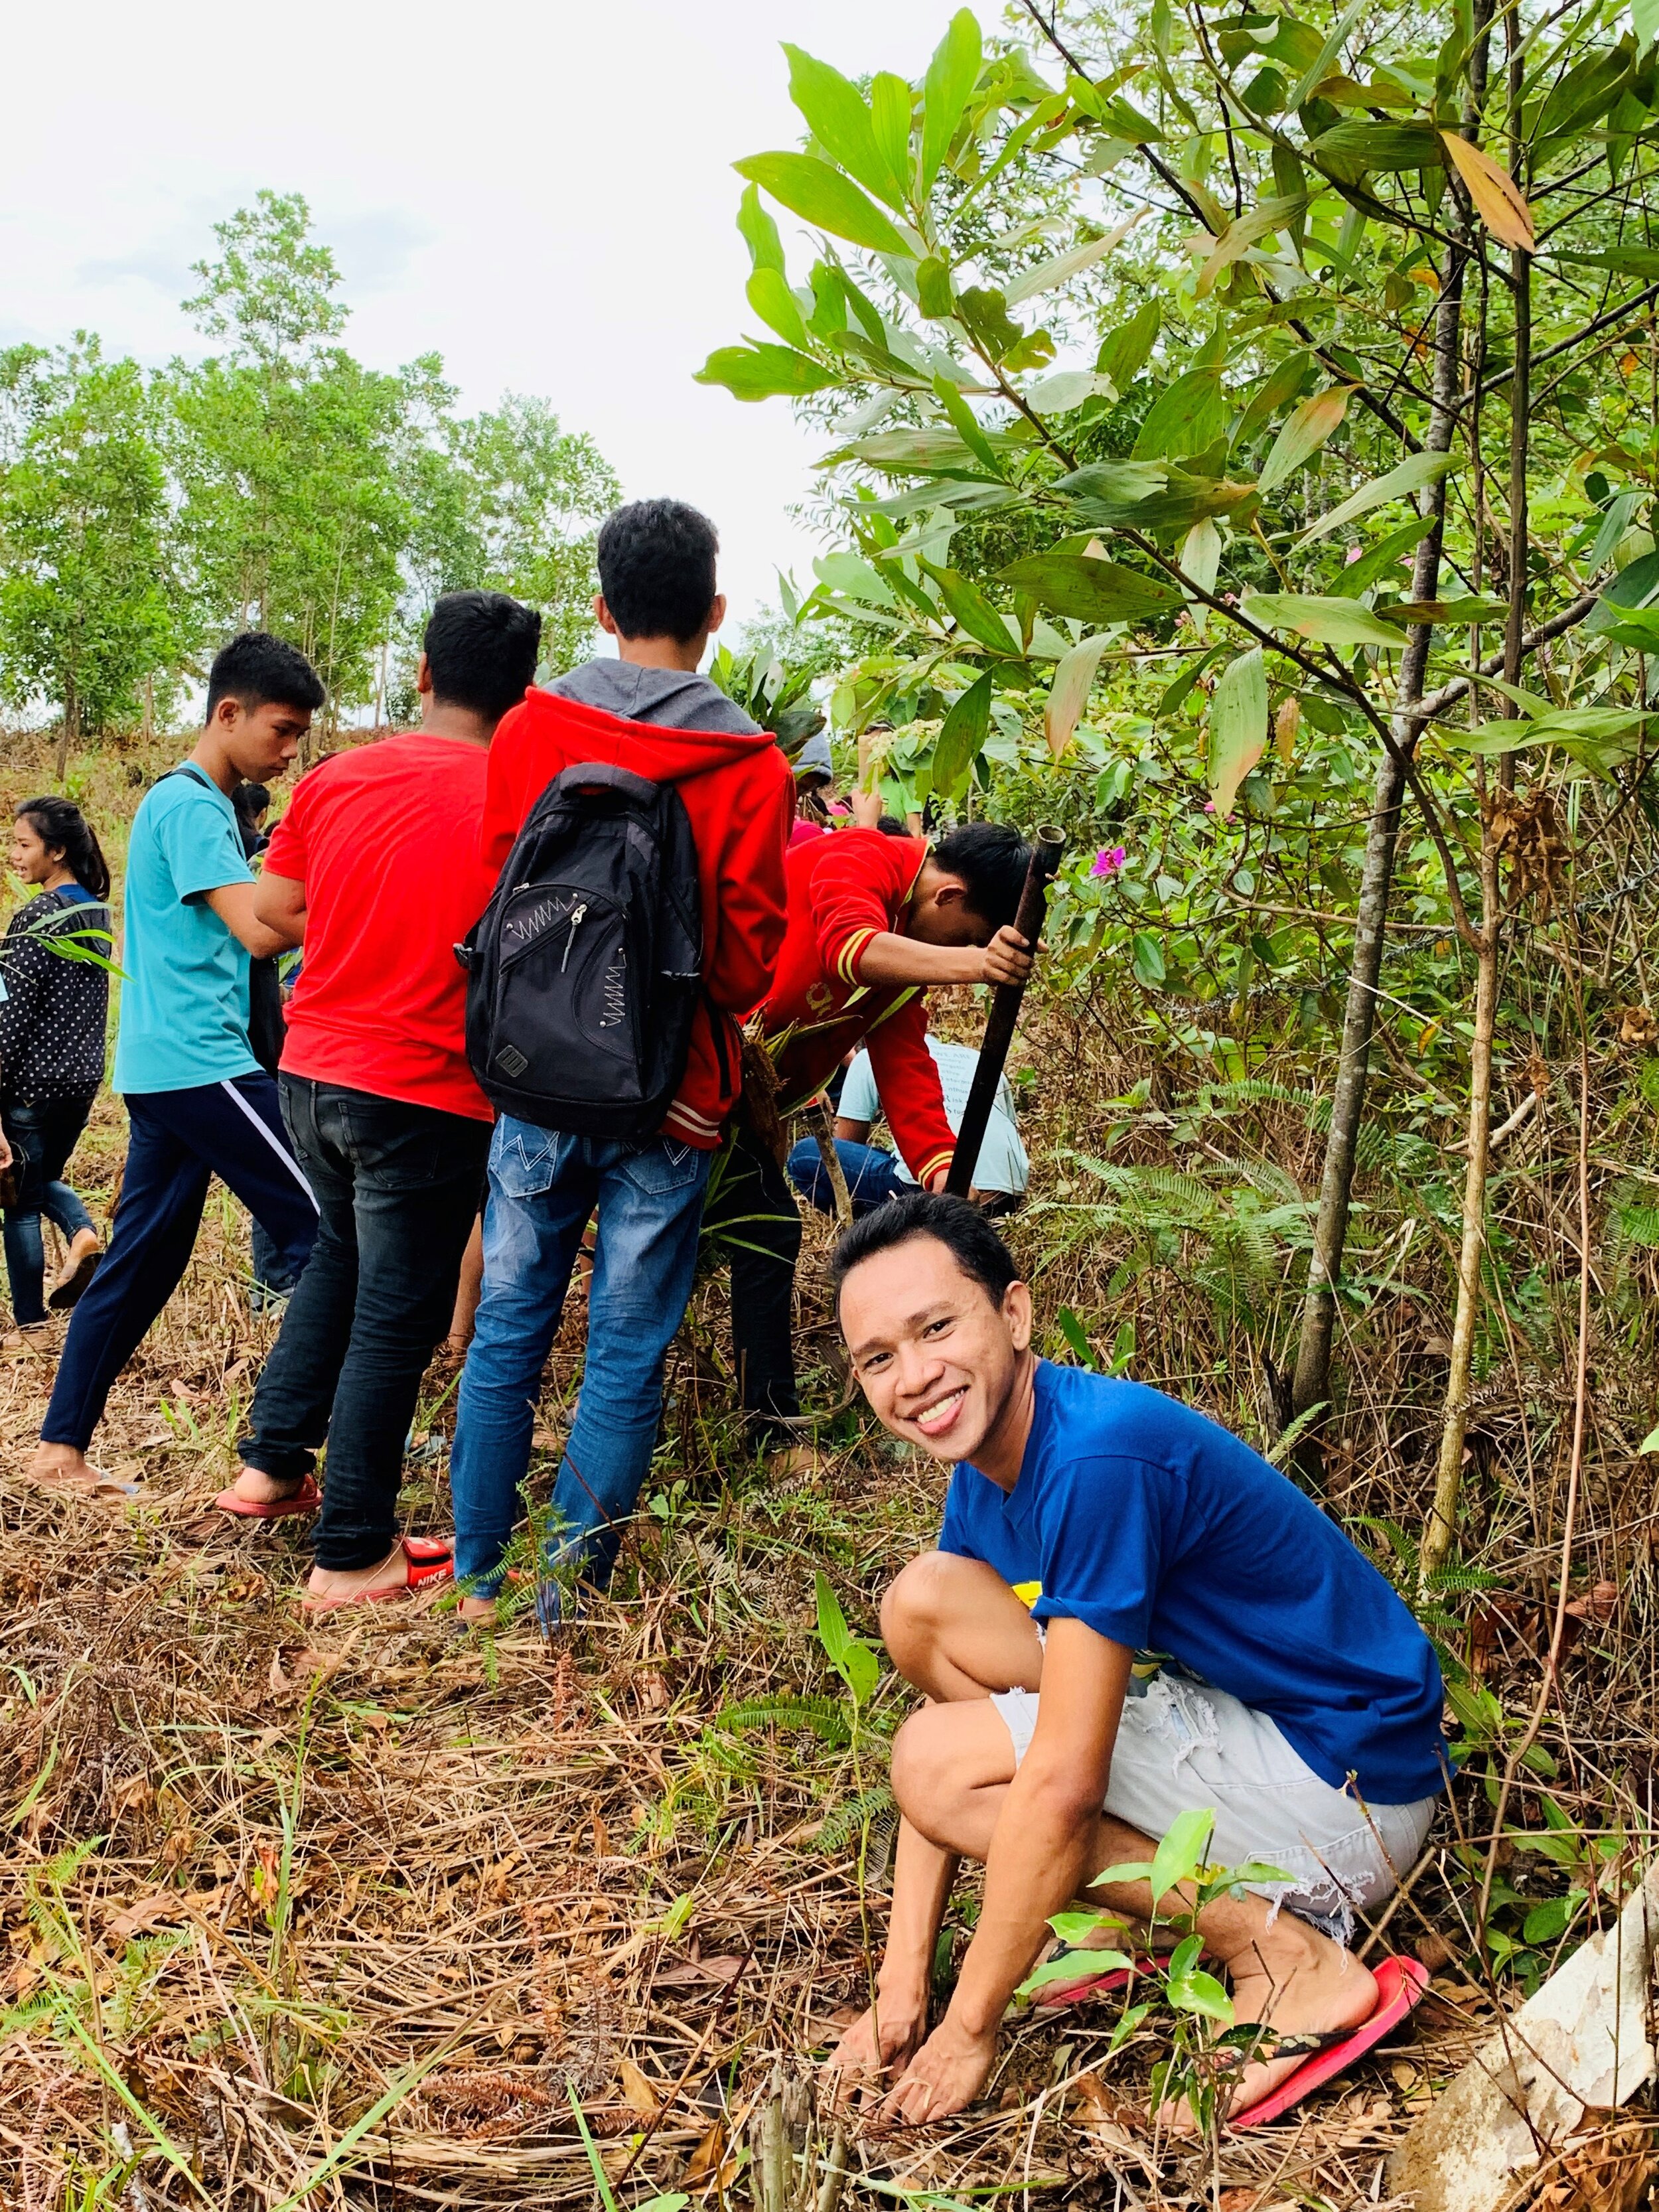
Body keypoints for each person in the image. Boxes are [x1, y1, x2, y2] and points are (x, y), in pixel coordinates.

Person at [824, 1193, 1447, 2128]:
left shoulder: (1095, 1458)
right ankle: (1120, 1905)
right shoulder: (985, 1473)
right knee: (922, 1604)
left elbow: (1048, 1779)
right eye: (879, 1358)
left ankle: (1283, 1955)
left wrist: (968, 2026)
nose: (913, 1375)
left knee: (938, 1767)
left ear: (1017, 1314)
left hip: (1347, 1793)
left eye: (936, 1327)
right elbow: (964, 1719)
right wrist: (901, 1990)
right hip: (1253, 1733)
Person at [448, 498, 793, 1620]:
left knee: (509, 1324)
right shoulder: (749, 762)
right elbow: (743, 966)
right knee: (625, 1349)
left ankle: (475, 1575)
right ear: (716, 613)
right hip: (675, 1098)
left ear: (601, 608)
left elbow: (502, 898)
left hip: (534, 1074)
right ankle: (565, 1603)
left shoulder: (532, 730)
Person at [218, 591, 543, 1611]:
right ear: (524, 695)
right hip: (426, 1089)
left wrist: (365, 893)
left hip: (312, 1072)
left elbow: (272, 913)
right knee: (396, 1319)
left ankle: (270, 1467)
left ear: (422, 673)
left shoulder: (337, 777)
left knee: (338, 1263)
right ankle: (354, 1551)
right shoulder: (525, 796)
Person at [27, 634, 326, 1499]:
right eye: (280, 729)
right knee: (327, 1232)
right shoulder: (194, 806)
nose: (288, 750)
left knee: (143, 1263)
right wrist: (380, 901)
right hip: (203, 1064)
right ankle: (290, 1449)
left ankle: (58, 1451)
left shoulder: (184, 805)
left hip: (161, 1068)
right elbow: (263, 931)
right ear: (227, 713)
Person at [710, 822, 1033, 1462]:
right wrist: (976, 963)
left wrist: (943, 1171)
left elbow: (906, 1067)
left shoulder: (906, 965)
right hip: (694, 1079)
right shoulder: (859, 855)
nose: (961, 958)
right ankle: (763, 1430)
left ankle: (766, 1425)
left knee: (766, 1232)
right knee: (753, 1232)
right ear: (947, 896)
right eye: (968, 934)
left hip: (739, 1111)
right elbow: (849, 948)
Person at [0, 798, 113, 1345]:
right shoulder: (96, 910)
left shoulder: (35, 916)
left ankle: (32, 1325)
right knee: (39, 1180)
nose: (14, 854)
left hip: (29, 1083)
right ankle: (84, 1235)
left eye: (24, 844)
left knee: (19, 1203)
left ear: (58, 850)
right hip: (81, 1079)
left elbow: (10, 1013)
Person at [786, 1032, 1029, 1219]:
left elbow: (842, 1151)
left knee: (805, 1157)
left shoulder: (871, 1056)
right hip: (1007, 1197)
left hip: (937, 1193)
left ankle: (879, 1234)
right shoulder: (974, 1057)